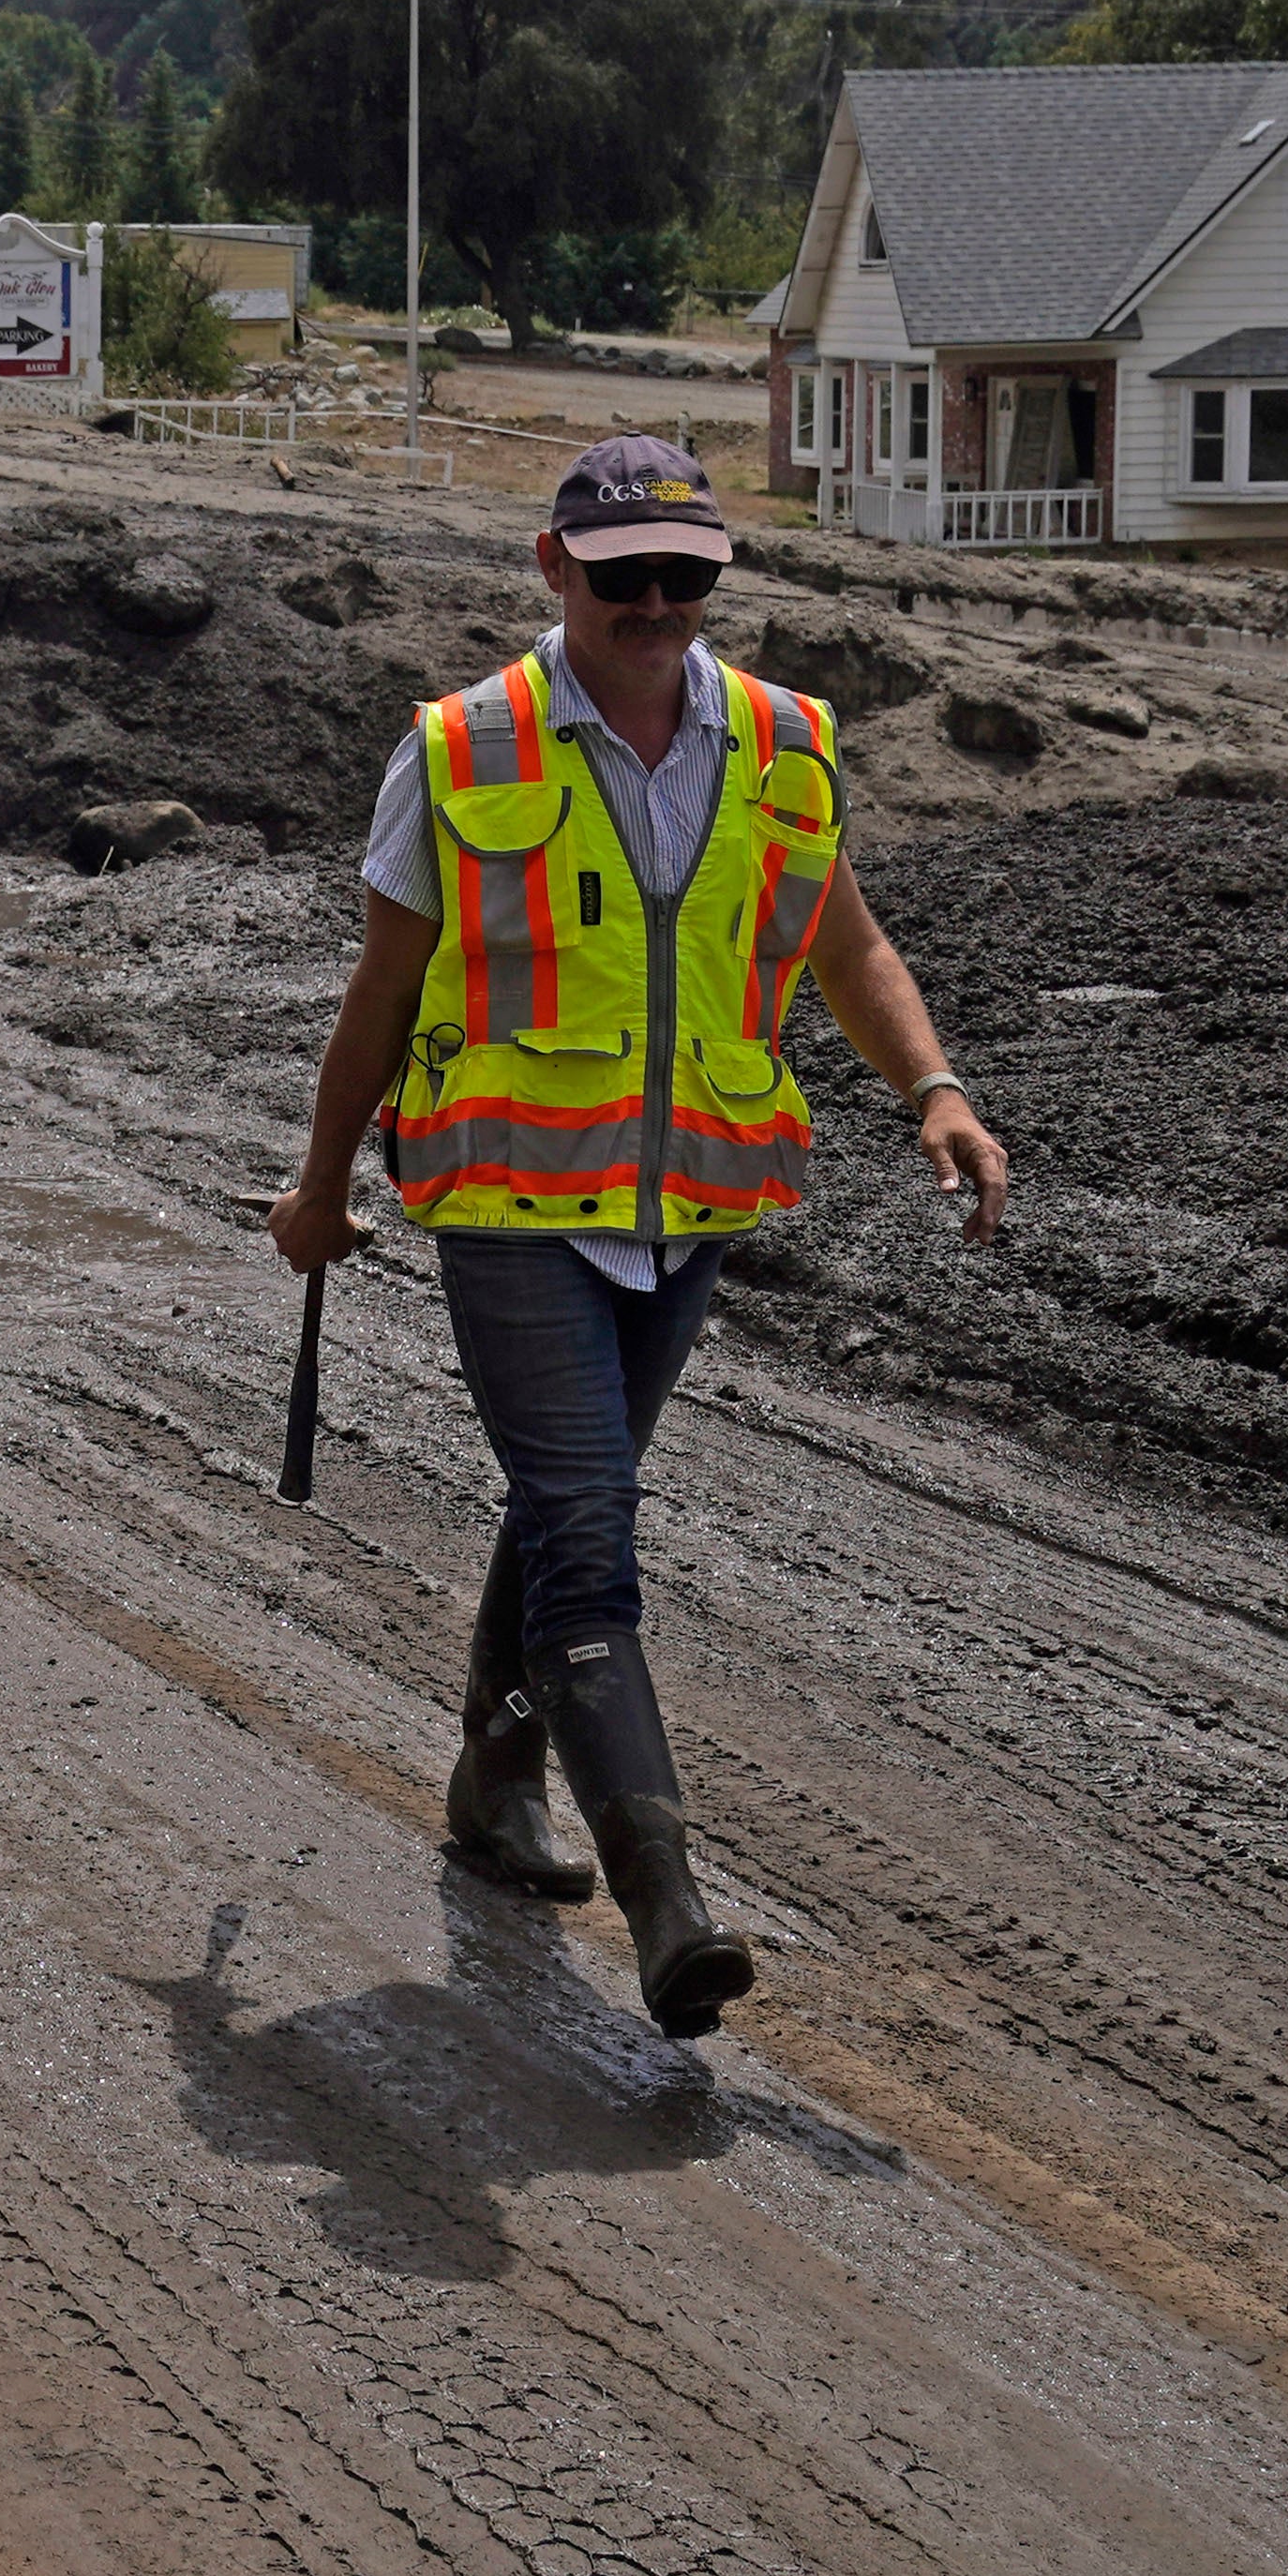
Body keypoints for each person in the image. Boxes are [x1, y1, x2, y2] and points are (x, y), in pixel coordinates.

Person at [266, 435, 1008, 2041]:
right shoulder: (463, 750)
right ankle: (668, 1899)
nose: (658, 606)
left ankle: (492, 1775)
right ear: (555, 570)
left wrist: (934, 1088)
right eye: (625, 579)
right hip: (510, 1197)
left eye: (688, 577)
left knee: (565, 1501)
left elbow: (845, 942)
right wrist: (322, 1183)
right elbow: (382, 995)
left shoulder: (785, 746)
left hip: (692, 1206)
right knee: (589, 1526)